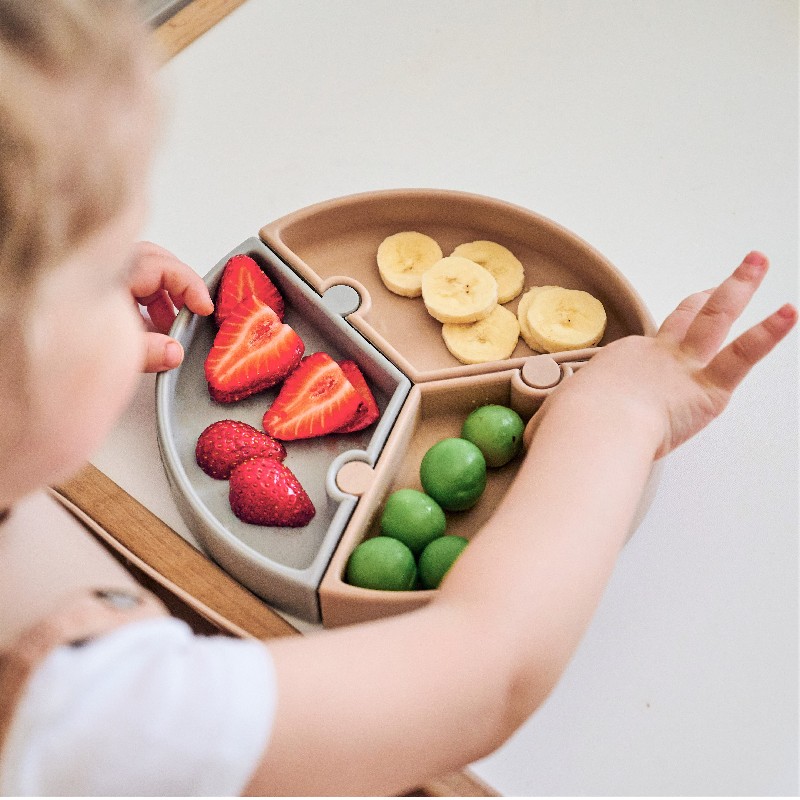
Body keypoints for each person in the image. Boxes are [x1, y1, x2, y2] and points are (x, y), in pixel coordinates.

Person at [0, 1, 795, 796]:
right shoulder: (108, 724)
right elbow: (489, 676)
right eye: (105, 276)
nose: (141, 274)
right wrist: (614, 419)